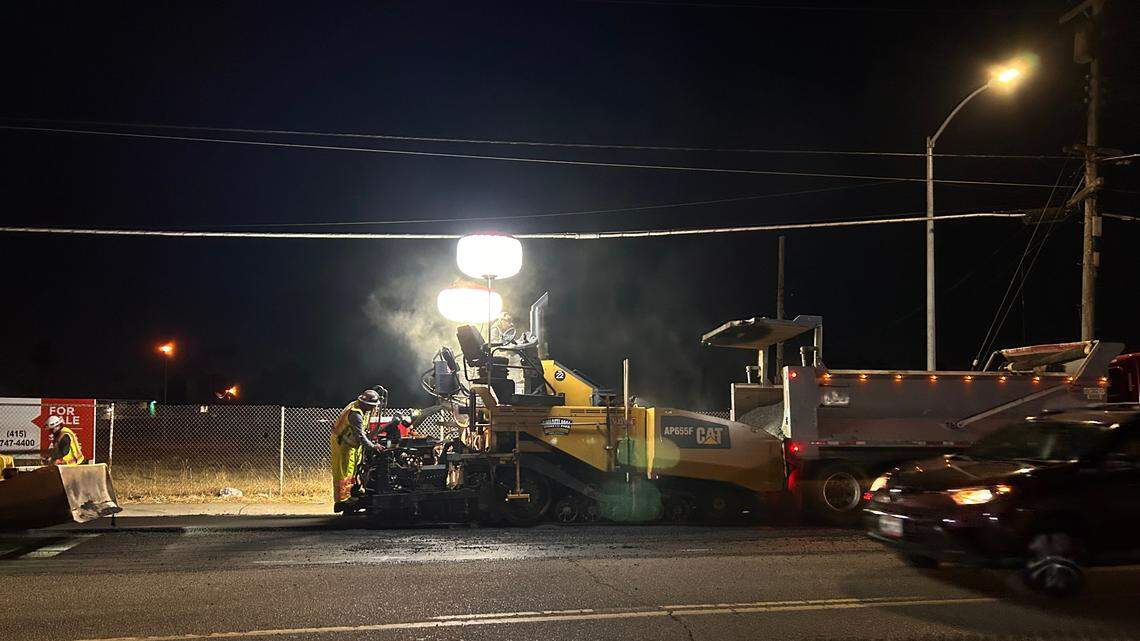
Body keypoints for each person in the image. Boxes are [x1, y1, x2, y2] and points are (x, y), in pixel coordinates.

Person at [329, 387, 386, 503]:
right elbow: (360, 435)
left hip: (351, 443)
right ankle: (343, 498)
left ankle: (353, 491)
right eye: (372, 405)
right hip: (343, 444)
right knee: (344, 471)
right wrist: (373, 446)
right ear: (366, 404)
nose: (374, 408)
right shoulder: (356, 415)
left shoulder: (358, 407)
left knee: (355, 468)